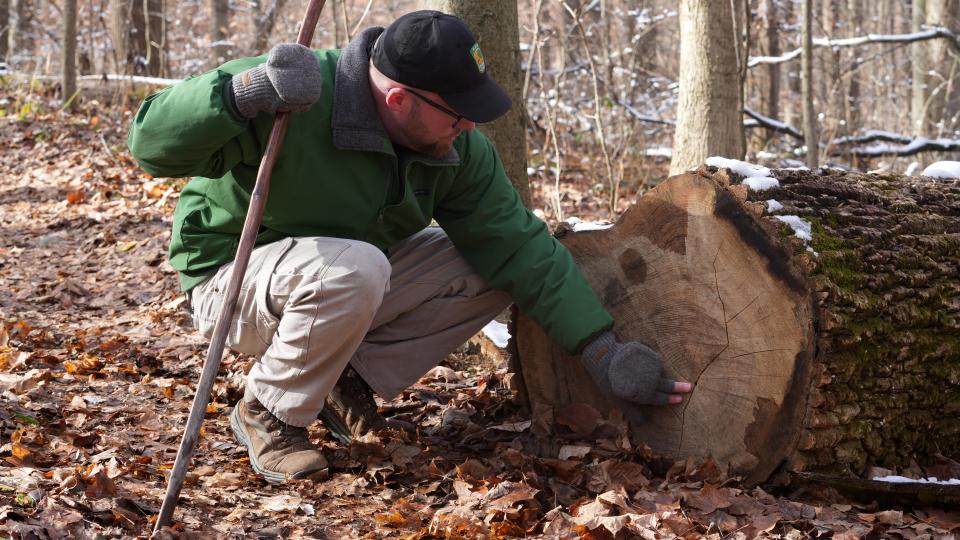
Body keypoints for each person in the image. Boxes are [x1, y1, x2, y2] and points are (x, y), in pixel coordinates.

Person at [127, 10, 693, 483]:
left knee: (489, 264)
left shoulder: (454, 148)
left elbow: (518, 246)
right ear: (399, 100)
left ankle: (343, 380)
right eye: (459, 110)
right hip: (234, 281)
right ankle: (269, 411)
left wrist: (601, 349)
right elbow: (150, 145)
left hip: (341, 279)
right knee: (355, 268)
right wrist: (245, 92)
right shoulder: (289, 88)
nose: (470, 125)